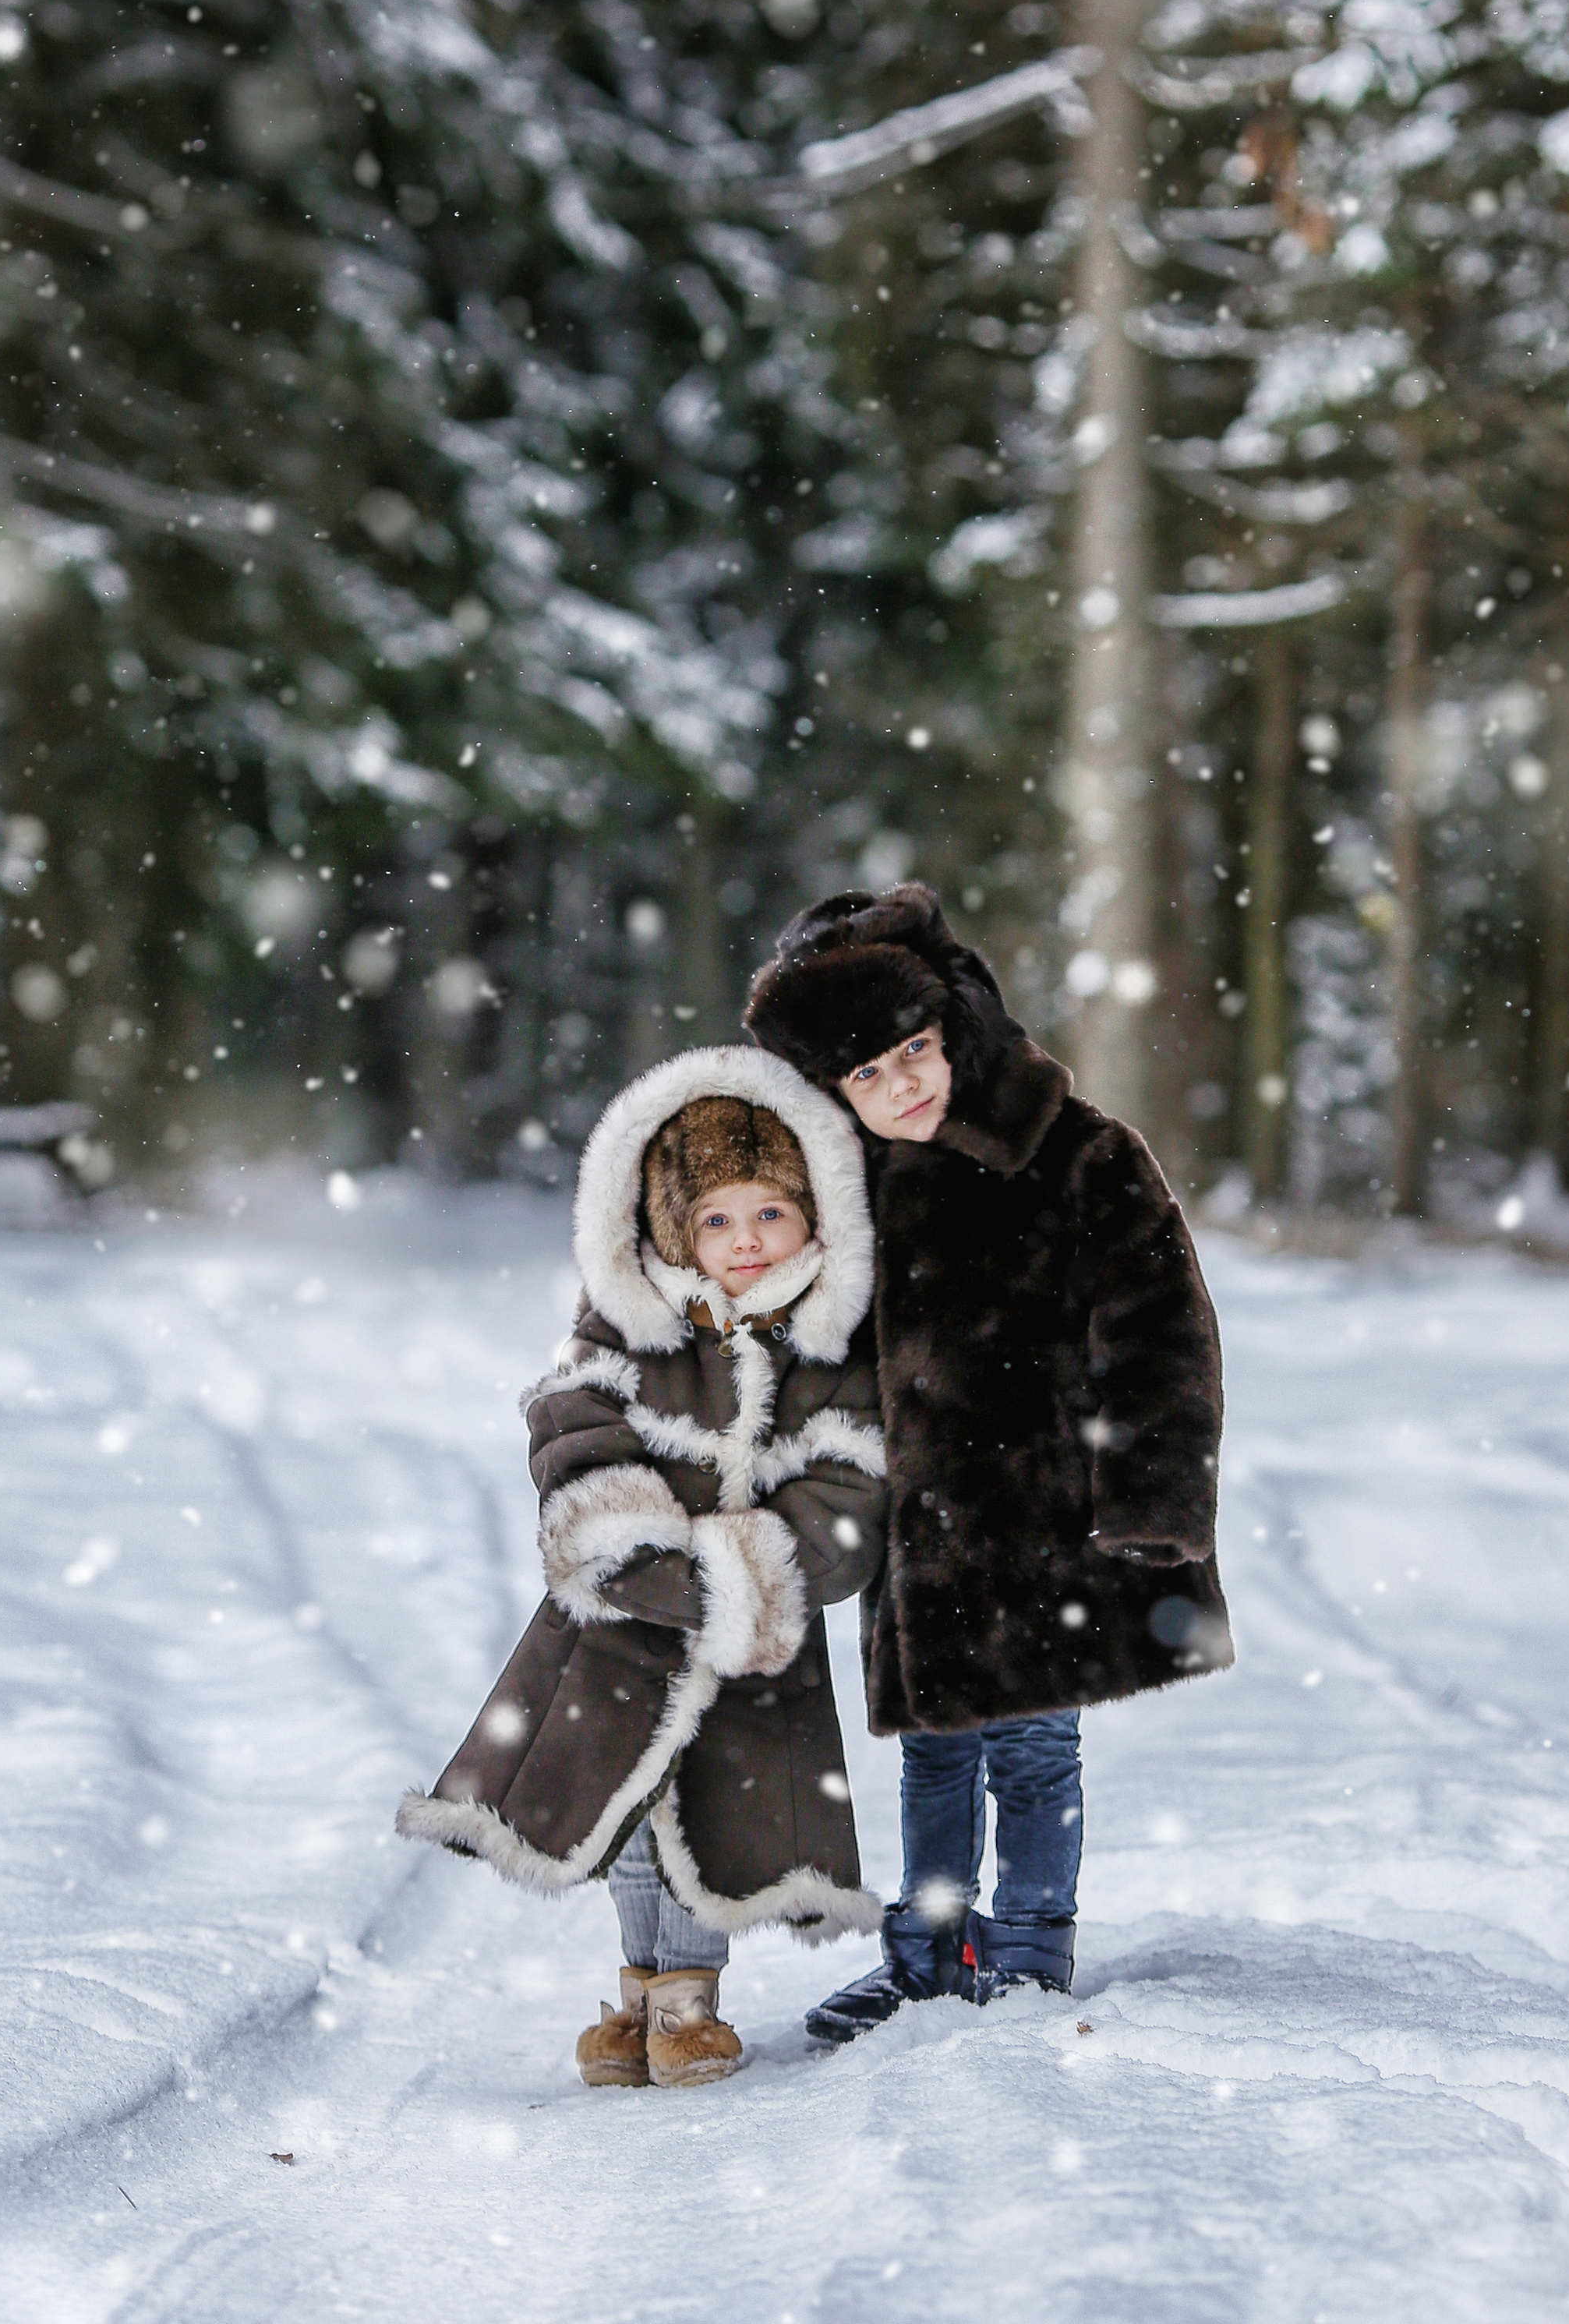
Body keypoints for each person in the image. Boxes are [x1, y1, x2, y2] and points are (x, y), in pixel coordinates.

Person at [743, 881, 1231, 2042]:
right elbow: (807, 1349)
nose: (902, 1085)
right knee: (935, 1755)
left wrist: (1153, 1494)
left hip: (1051, 1511)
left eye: (915, 1051)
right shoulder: (846, 1194)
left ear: (957, 1026)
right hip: (921, 1533)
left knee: (1035, 1747)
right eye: (866, 1074)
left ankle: (1026, 1948)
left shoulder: (1079, 1156)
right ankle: (929, 1955)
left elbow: (1163, 1327)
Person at [396, 1047, 886, 2088]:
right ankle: (638, 1997)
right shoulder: (629, 1322)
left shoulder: (829, 1345)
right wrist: (634, 1549)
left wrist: (736, 1575)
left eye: (769, 1214)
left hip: (743, 1642)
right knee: (624, 1813)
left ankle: (687, 2003)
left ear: (815, 1217)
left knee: (711, 1817)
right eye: (715, 1219)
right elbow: (572, 1434)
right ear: (673, 1228)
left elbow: (849, 1493)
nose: (743, 1241)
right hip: (617, 1633)